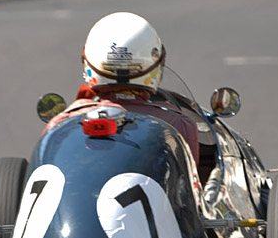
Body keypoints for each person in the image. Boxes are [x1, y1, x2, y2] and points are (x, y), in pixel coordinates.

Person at [48, 12, 200, 164]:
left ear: (89, 61)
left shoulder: (63, 123)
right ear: (156, 63)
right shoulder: (178, 123)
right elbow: (191, 183)